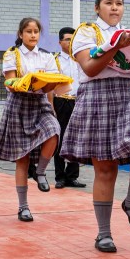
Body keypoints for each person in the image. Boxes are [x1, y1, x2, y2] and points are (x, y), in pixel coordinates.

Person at [61, 0, 130, 253]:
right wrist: (115, 46)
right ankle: (103, 234)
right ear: (97, 8)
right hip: (97, 96)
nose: (115, 7)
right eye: (108, 3)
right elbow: (90, 68)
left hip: (129, 95)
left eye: (119, 3)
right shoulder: (86, 32)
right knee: (105, 170)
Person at [0, 18, 62, 222]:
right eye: (28, 31)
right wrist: (28, 82)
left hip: (40, 103)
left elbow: (51, 86)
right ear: (21, 34)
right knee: (22, 159)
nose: (32, 35)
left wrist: (50, 100)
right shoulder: (11, 54)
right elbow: (10, 82)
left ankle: (40, 172)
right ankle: (23, 207)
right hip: (19, 104)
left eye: (36, 31)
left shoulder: (47, 56)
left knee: (54, 131)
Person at [52, 26, 85, 189]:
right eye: (67, 39)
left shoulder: (80, 58)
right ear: (60, 42)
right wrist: (51, 106)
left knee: (76, 138)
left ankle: (72, 176)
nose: (70, 42)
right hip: (61, 102)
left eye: (73, 40)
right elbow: (50, 85)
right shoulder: (54, 60)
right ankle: (60, 177)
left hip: (78, 101)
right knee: (60, 138)